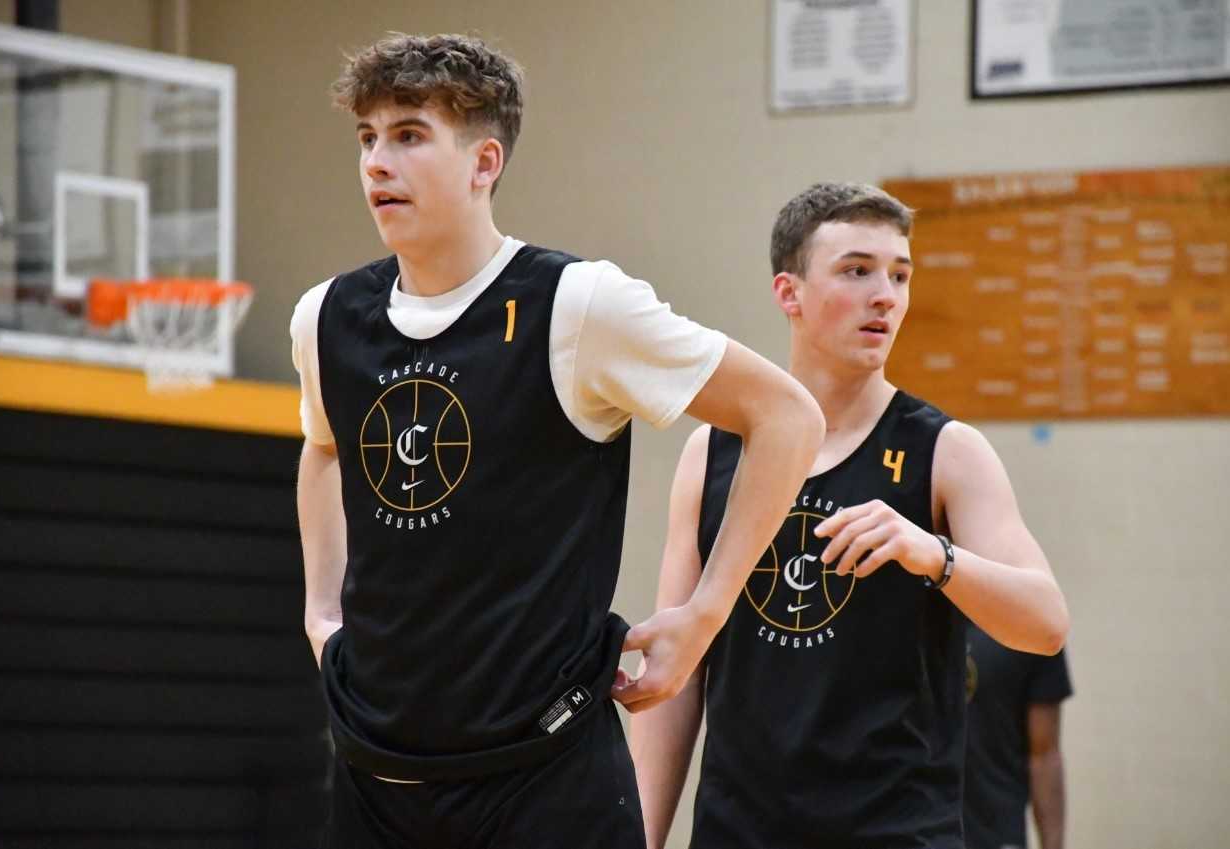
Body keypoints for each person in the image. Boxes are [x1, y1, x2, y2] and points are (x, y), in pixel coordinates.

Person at [289, 33, 824, 849]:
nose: (376, 163)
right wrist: (321, 612)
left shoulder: (577, 304)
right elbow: (324, 446)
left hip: (545, 776)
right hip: (377, 776)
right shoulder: (324, 317)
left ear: (484, 162)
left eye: (408, 135)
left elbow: (785, 417)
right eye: (367, 138)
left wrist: (704, 615)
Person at [630, 182, 1070, 849]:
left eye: (899, 275)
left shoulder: (945, 450)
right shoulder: (711, 453)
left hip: (896, 830)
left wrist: (933, 554)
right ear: (789, 293)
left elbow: (1046, 623)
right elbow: (677, 672)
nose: (885, 295)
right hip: (737, 831)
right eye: (857, 270)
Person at [964, 621, 1073, 849]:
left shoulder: (1034, 624)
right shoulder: (911, 617)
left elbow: (1044, 755)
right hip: (917, 827)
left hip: (998, 831)